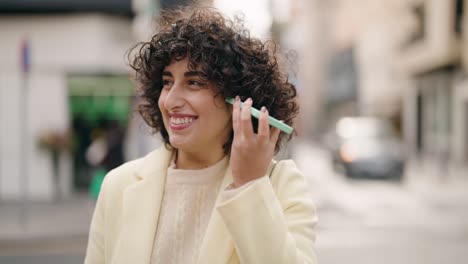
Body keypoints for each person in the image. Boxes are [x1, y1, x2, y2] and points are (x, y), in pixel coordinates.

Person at [85, 6, 318, 264]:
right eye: (166, 82)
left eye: (194, 82)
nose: (171, 100)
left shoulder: (282, 185)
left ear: (239, 101)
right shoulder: (118, 185)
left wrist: (249, 185)